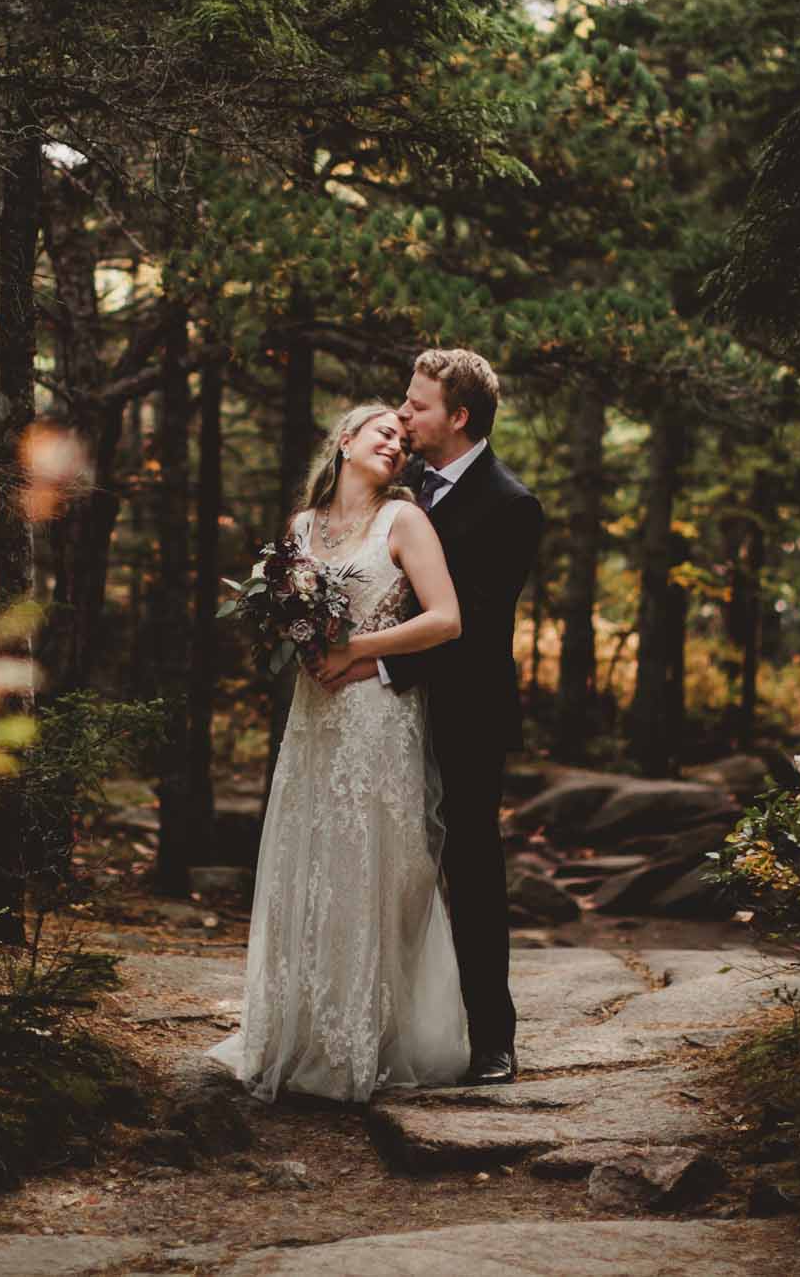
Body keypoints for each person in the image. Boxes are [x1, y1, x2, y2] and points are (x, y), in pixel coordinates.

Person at [207, 402, 471, 1101]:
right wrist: (301, 644)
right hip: (313, 714)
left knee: (370, 866)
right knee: (309, 859)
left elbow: (446, 619)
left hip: (378, 718)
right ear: (345, 440)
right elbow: (294, 620)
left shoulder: (405, 520)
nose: (395, 442)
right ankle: (297, 1030)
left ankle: (360, 1040)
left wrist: (357, 650)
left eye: (402, 438)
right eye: (382, 431)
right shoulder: (301, 527)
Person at [316, 349, 543, 1085]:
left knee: (471, 867)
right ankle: (379, 1025)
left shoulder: (511, 504)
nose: (404, 415)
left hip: (464, 710)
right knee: (382, 862)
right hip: (381, 712)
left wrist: (368, 658)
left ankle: (492, 1039)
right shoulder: (401, 490)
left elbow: (469, 624)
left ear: (459, 417)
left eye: (417, 406)